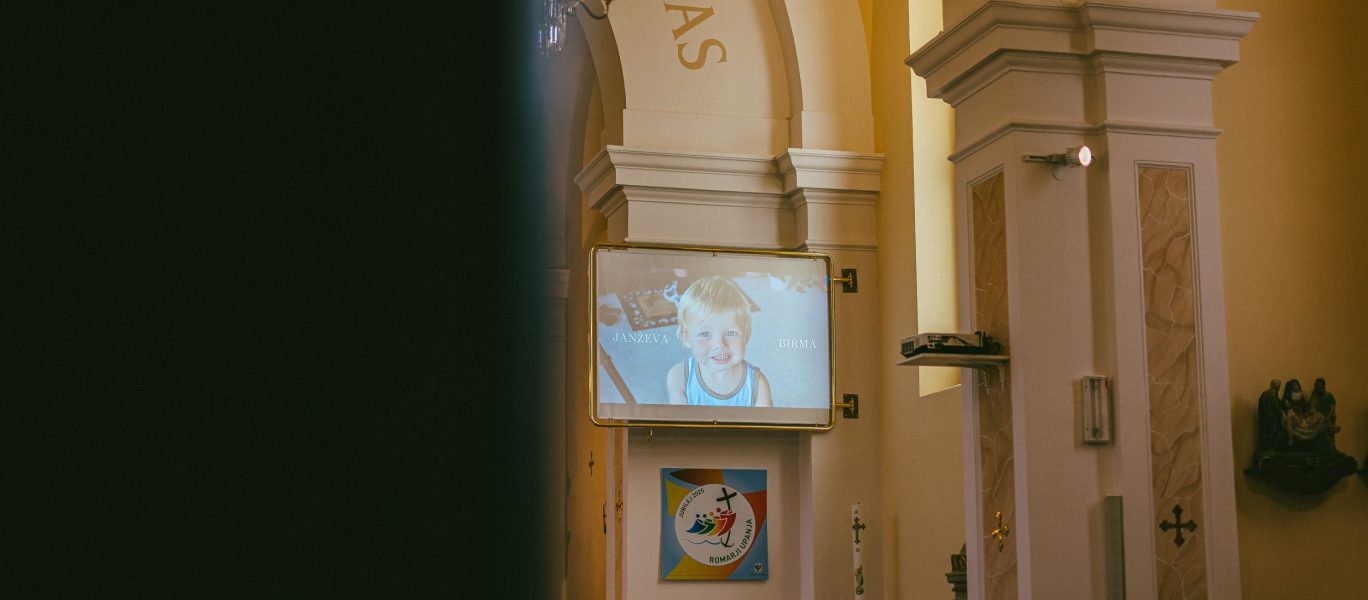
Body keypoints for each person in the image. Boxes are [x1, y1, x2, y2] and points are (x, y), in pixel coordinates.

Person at [666, 276, 773, 407]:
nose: (719, 344)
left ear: (746, 334)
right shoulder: (679, 377)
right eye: (705, 334)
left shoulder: (758, 385)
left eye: (731, 333)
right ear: (686, 338)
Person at [1256, 379, 1283, 450]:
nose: (1279, 387)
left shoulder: (1268, 394)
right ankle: (1269, 448)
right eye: (1278, 385)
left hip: (1268, 418)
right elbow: (1276, 407)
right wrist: (1280, 413)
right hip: (1270, 418)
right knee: (1270, 434)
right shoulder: (1270, 394)